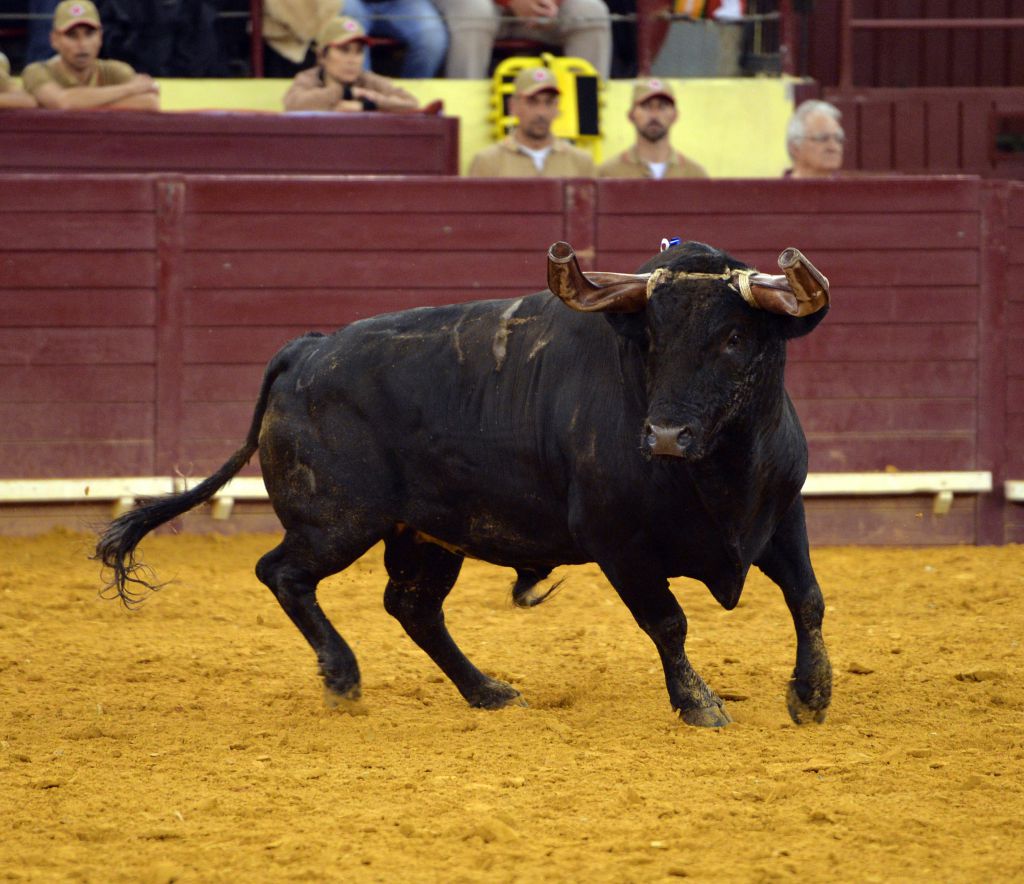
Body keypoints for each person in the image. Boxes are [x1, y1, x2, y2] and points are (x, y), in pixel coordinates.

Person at [20, 0, 161, 110]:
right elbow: (64, 102)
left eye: (89, 34)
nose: (82, 44)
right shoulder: (37, 71)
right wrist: (129, 89)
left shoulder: (114, 70)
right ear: (54, 40)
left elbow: (150, 102)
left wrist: (84, 104)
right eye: (72, 35)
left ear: (100, 37)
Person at [264, 0, 447, 79]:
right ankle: (360, 98)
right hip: (350, 2)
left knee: (432, 37)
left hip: (401, 4)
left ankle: (412, 106)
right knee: (349, 21)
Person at [468, 66, 595, 177]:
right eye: (532, 102)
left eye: (549, 102)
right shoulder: (488, 161)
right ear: (513, 106)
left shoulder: (581, 162)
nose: (541, 112)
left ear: (557, 107)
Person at [434, 0, 612, 80]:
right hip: (480, 7)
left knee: (591, 11)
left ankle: (587, 114)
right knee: (475, 10)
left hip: (542, 11)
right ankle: (464, 114)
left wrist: (549, 2)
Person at [283, 16, 418, 112]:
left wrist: (367, 105)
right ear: (321, 56)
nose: (352, 60)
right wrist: (345, 92)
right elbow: (292, 104)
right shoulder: (308, 79)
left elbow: (411, 103)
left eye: (359, 51)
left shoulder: (368, 80)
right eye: (344, 50)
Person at [598, 77, 707, 179]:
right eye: (646, 106)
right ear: (631, 115)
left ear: (675, 115)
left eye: (662, 107)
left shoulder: (694, 175)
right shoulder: (609, 173)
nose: (654, 115)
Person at [784, 99, 845, 179]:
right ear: (795, 148)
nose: (833, 147)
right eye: (822, 138)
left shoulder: (853, 190)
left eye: (838, 139)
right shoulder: (774, 191)